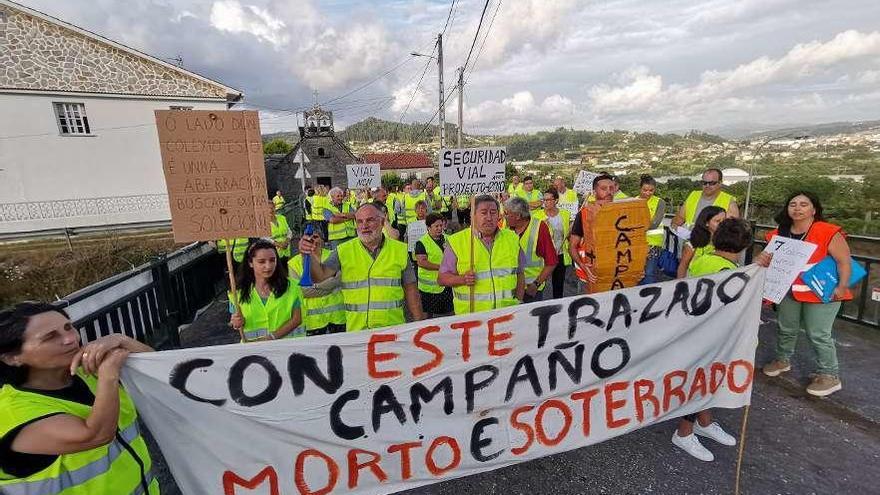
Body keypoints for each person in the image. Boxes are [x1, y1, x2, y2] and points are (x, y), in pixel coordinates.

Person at [0, 302, 159, 494]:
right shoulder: (13, 413)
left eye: (69, 327)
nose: (70, 339)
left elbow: (163, 376)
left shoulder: (86, 371)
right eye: (50, 336)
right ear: (11, 358)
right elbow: (96, 435)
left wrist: (122, 340)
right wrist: (109, 375)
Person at [671, 218, 752, 462]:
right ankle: (684, 432)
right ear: (745, 245)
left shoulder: (703, 260)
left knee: (707, 379)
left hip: (696, 330)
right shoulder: (730, 272)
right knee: (702, 381)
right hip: (712, 335)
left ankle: (704, 422)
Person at [762, 191, 852, 397]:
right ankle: (782, 360)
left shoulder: (827, 231)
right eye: (793, 204)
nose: (797, 208)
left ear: (814, 209)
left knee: (818, 333)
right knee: (786, 327)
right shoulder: (778, 233)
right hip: (788, 290)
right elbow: (768, 258)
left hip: (822, 292)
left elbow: (843, 261)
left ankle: (830, 375)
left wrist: (842, 286)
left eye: (804, 204)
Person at [298, 203, 424, 331]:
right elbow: (319, 276)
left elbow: (411, 290)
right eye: (359, 221)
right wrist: (306, 255)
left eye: (370, 220)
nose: (364, 226)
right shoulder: (343, 250)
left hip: (392, 329)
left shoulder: (399, 250)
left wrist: (419, 325)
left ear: (382, 222)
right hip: (358, 333)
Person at [438, 195, 526, 314]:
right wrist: (462, 279)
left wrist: (519, 302)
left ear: (499, 216)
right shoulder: (457, 241)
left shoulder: (512, 238)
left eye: (493, 212)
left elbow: (520, 273)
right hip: (472, 318)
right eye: (484, 213)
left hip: (506, 315)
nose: (489, 217)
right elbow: (442, 278)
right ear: (473, 215)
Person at [229, 239, 303, 341]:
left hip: (288, 348)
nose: (268, 266)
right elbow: (236, 321)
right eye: (261, 262)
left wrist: (271, 337)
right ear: (250, 263)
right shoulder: (237, 293)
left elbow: (297, 319)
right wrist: (236, 323)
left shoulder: (292, 286)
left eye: (272, 260)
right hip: (255, 351)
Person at [288, 233, 346, 336]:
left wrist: (312, 287)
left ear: (322, 239)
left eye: (315, 237)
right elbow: (300, 291)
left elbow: (338, 281)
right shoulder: (293, 263)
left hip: (338, 318)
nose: (312, 241)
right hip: (313, 323)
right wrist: (327, 284)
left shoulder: (334, 255)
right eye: (308, 238)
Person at [505, 197, 558, 303]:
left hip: (530, 290)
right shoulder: (504, 227)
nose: (504, 216)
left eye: (507, 213)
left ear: (518, 216)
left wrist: (536, 284)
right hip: (508, 288)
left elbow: (551, 262)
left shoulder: (539, 228)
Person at [569, 174, 616, 288]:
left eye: (611, 188)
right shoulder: (584, 214)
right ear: (594, 192)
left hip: (615, 277)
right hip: (589, 278)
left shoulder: (621, 214)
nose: (609, 192)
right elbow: (572, 247)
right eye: (604, 189)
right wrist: (584, 268)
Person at [671, 168, 739, 231]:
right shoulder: (693, 195)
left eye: (712, 183)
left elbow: (731, 231)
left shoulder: (729, 202)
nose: (707, 186)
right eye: (704, 183)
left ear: (720, 183)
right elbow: (679, 218)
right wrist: (675, 225)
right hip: (689, 241)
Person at [414, 213, 454, 317]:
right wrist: (441, 267)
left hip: (447, 284)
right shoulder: (421, 243)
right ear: (428, 227)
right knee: (429, 316)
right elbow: (421, 262)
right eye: (436, 226)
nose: (439, 228)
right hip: (429, 289)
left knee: (449, 314)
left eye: (441, 225)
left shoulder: (449, 239)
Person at [534, 188, 571, 299]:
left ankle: (557, 308)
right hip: (543, 257)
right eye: (544, 200)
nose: (546, 203)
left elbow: (567, 233)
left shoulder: (565, 214)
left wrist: (571, 230)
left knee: (558, 285)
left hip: (559, 255)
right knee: (540, 285)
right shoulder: (537, 216)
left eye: (549, 200)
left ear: (556, 200)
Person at [677, 206, 726, 279]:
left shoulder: (726, 242)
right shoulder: (692, 245)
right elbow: (683, 267)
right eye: (717, 221)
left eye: (724, 221)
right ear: (706, 223)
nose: (722, 224)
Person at [638, 175, 667, 284]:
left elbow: (654, 223)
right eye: (645, 190)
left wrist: (635, 226)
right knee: (637, 273)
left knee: (649, 272)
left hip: (653, 243)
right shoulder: (633, 201)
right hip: (637, 243)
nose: (648, 193)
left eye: (651, 190)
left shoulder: (660, 202)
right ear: (640, 188)